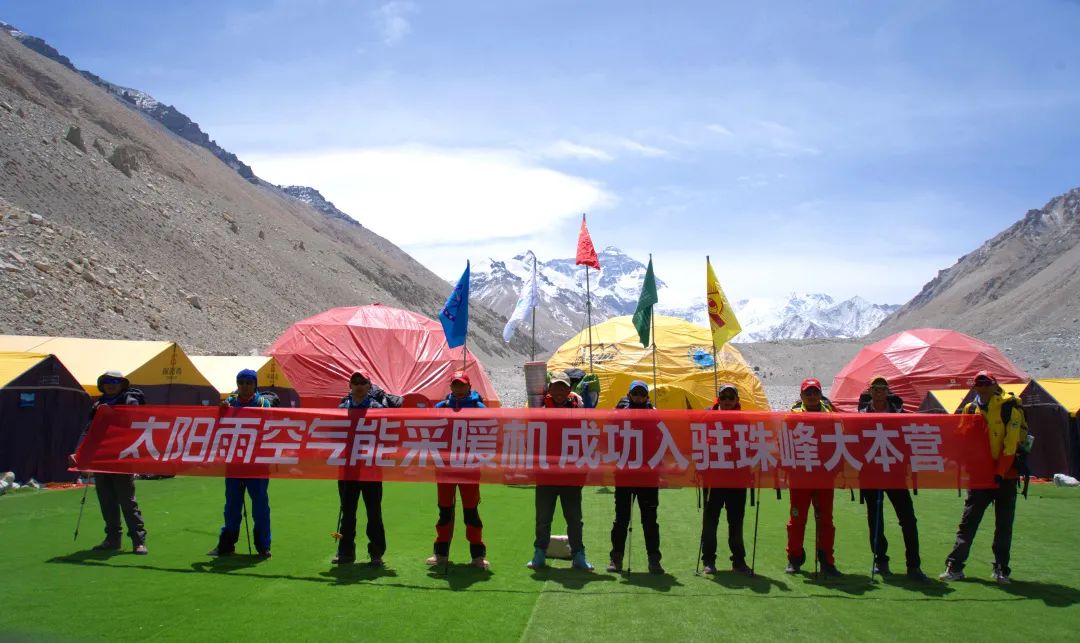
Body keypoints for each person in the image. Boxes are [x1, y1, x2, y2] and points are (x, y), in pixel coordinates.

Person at [940, 371, 1026, 584]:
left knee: (1004, 524)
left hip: (1006, 475)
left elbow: (1011, 442)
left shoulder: (1010, 406)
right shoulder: (970, 408)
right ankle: (955, 566)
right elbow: (962, 439)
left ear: (994, 385)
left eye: (986, 383)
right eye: (979, 383)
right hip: (979, 476)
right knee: (968, 522)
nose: (983, 387)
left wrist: (1000, 472)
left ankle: (1001, 569)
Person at [858, 376, 929, 581]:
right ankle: (881, 561)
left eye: (882, 388)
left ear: (887, 391)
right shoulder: (861, 415)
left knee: (908, 519)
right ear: (870, 391)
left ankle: (914, 565)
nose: (879, 392)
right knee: (875, 519)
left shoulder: (900, 413)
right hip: (871, 475)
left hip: (896, 474)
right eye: (875, 388)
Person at [69, 371, 148, 555]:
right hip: (101, 459)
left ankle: (139, 540)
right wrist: (78, 452)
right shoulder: (98, 405)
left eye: (115, 381)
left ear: (122, 384)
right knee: (106, 501)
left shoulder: (130, 401)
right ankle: (113, 539)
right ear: (102, 384)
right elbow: (88, 431)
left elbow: (133, 421)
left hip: (122, 459)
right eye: (107, 381)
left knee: (127, 501)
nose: (111, 384)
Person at [528, 371, 594, 571]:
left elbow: (589, 432)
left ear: (569, 389)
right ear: (549, 388)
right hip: (546, 472)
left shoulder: (579, 405)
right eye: (555, 387)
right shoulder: (538, 406)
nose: (559, 392)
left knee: (574, 518)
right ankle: (539, 554)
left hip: (571, 474)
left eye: (563, 387)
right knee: (543, 518)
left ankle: (578, 555)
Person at [426, 370, 490, 570]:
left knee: (471, 511)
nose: (459, 388)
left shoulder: (480, 408)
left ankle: (477, 555)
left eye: (462, 385)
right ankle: (440, 553)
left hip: (469, 467)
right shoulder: (440, 407)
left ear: (469, 386)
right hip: (445, 467)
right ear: (451, 386)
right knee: (445, 511)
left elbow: (489, 434)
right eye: (455, 384)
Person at [209, 369, 273, 558]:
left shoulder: (264, 403)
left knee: (260, 505)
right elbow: (218, 428)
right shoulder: (229, 403)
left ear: (255, 385)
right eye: (241, 382)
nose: (244, 386)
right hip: (235, 461)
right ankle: (226, 544)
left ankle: (263, 546)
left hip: (257, 463)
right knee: (232, 506)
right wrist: (220, 412)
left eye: (248, 383)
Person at [785, 378, 842, 577]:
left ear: (820, 394)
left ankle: (827, 560)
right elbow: (784, 444)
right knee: (797, 519)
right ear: (801, 396)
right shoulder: (791, 417)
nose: (811, 396)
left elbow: (839, 443)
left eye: (814, 392)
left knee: (825, 520)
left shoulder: (832, 415)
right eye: (807, 393)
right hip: (800, 477)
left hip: (825, 476)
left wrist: (837, 469)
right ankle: (794, 559)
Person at [607, 380, 663, 574]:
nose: (638, 397)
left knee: (649, 520)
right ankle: (616, 558)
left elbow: (662, 441)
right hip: (624, 473)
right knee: (621, 519)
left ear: (647, 397)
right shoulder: (619, 413)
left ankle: (654, 560)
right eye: (635, 394)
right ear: (629, 395)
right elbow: (609, 437)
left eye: (641, 394)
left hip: (648, 476)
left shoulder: (655, 415)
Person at [333, 370, 387, 566]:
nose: (358, 385)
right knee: (347, 512)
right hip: (348, 468)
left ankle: (376, 553)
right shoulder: (341, 408)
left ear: (369, 386)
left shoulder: (378, 408)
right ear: (350, 385)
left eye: (362, 382)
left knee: (374, 512)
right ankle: (346, 552)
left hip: (371, 468)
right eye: (355, 382)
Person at [699, 383, 752, 575]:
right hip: (714, 479)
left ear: (737, 400)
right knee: (710, 521)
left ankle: (738, 561)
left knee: (736, 522)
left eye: (731, 397)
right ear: (718, 399)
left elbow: (752, 447)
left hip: (737, 479)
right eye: (724, 397)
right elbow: (697, 444)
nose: (727, 401)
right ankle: (708, 560)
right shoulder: (706, 418)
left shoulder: (745, 420)